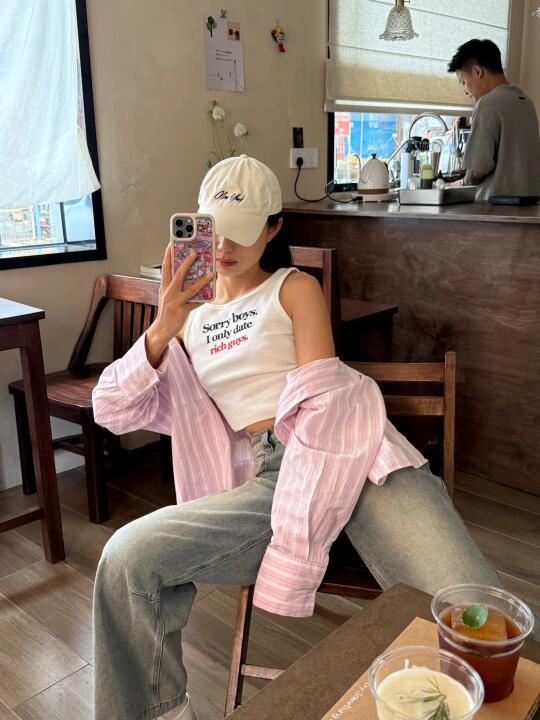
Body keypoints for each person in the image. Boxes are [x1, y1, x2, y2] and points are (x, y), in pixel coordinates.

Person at [92, 155, 504, 720]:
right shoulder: (187, 318)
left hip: (356, 456)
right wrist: (164, 324)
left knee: (478, 618)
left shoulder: (293, 288)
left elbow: (326, 408)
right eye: (216, 229)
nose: (225, 247)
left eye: (243, 232)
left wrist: (295, 552)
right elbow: (112, 408)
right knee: (125, 559)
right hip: (271, 479)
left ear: (272, 229)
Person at [448, 38, 540, 201]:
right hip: (528, 209)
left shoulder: (487, 103)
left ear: (477, 71)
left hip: (494, 208)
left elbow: (478, 169)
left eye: (463, 82)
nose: (466, 91)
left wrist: (460, 183)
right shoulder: (526, 102)